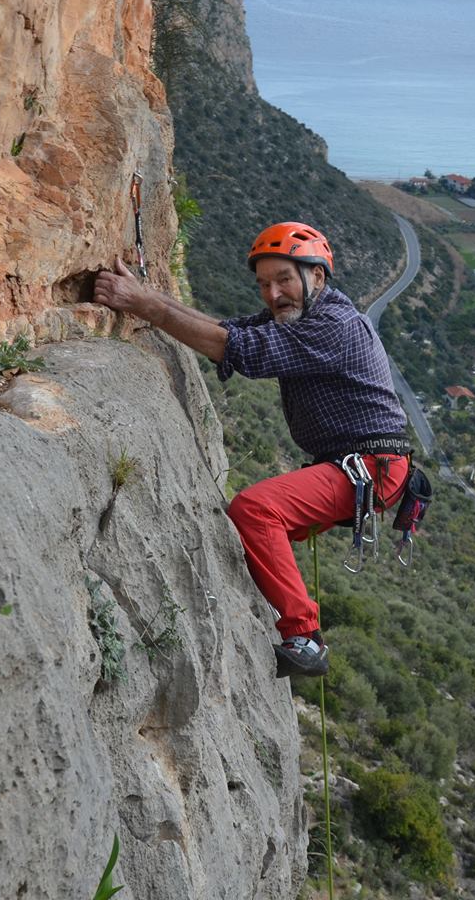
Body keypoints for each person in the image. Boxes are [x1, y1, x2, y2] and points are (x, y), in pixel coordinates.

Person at [94, 221, 410, 679]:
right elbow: (228, 330)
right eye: (264, 283)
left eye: (284, 278)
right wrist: (151, 300)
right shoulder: (304, 314)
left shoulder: (333, 327)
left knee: (257, 510)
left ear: (316, 276)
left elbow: (234, 350)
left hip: (371, 468)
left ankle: (305, 637)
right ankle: (291, 615)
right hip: (356, 465)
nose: (273, 293)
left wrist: (146, 305)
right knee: (262, 527)